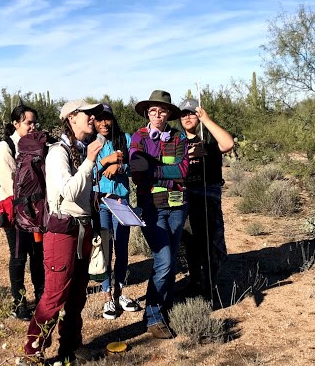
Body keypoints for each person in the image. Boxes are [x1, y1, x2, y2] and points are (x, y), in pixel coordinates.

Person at [21, 100, 104, 366]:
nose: (93, 118)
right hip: (61, 232)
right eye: (87, 114)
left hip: (81, 229)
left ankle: (71, 344)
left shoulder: (78, 150)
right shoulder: (59, 153)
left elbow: (79, 193)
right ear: (71, 118)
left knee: (78, 291)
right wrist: (91, 162)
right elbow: (67, 193)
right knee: (55, 294)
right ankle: (32, 353)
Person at [129, 90, 189, 339]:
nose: (157, 115)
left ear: (168, 114)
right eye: (153, 111)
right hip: (151, 207)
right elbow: (136, 170)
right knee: (163, 259)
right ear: (147, 113)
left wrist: (153, 169)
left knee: (171, 259)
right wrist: (166, 170)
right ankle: (153, 314)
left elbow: (183, 170)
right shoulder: (139, 137)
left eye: (162, 110)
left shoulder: (178, 137)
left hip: (177, 205)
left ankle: (164, 306)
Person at [0, 104, 44, 320]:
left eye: (34, 123)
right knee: (19, 255)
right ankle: (19, 302)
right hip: (14, 210)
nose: (32, 127)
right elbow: (12, 183)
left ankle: (41, 297)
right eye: (28, 123)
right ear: (16, 124)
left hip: (34, 209)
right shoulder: (3, 149)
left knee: (37, 255)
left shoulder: (33, 146)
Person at [177, 98, 234, 300]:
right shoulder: (177, 140)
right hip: (185, 194)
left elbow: (228, 143)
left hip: (208, 193)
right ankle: (194, 281)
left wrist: (207, 120)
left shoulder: (209, 136)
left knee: (210, 240)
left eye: (192, 113)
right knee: (190, 241)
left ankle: (209, 285)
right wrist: (187, 154)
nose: (187, 117)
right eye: (183, 114)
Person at [93, 103, 141, 319]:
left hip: (121, 202)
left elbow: (136, 165)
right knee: (104, 249)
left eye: (107, 118)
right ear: (93, 121)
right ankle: (107, 296)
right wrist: (106, 163)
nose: (104, 123)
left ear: (113, 119)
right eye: (99, 119)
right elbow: (87, 171)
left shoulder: (125, 139)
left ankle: (120, 291)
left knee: (121, 247)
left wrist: (120, 167)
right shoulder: (91, 144)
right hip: (101, 202)